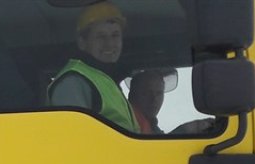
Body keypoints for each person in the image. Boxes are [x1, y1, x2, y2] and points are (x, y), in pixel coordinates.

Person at [48, 1, 136, 133]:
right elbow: (75, 137)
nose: (110, 43)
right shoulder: (73, 81)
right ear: (82, 43)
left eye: (115, 35)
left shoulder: (105, 80)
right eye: (101, 36)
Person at [128, 68, 167, 134]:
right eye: (146, 93)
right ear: (132, 95)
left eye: (159, 93)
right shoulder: (129, 123)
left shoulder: (151, 125)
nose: (154, 99)